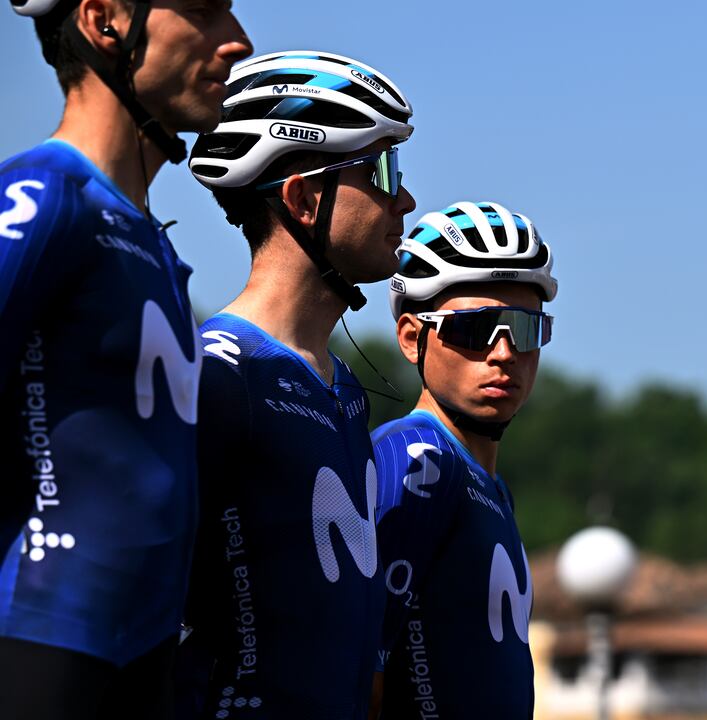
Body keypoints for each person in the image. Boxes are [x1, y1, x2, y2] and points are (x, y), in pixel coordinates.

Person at [0, 0, 250, 715]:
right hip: (41, 645)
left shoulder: (153, 244)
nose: (238, 41)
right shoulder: (45, 196)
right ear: (105, 17)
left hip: (143, 663)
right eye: (203, 10)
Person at [177, 50, 417, 719]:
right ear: (307, 197)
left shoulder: (344, 392)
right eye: (381, 169)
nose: (405, 198)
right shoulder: (223, 372)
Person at [372, 201, 557, 718]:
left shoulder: (492, 488)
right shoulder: (415, 457)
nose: (504, 354)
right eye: (475, 330)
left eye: (525, 330)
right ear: (413, 338)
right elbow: (360, 671)